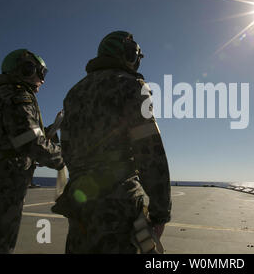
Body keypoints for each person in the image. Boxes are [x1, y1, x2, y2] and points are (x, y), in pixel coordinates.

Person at [53, 30, 171, 254]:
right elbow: (150, 154)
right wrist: (160, 213)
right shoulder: (132, 86)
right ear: (128, 55)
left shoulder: (74, 93)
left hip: (81, 201)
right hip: (119, 204)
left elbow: (66, 149)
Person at [0, 49, 66, 253]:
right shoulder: (18, 96)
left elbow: (19, 137)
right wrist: (63, 158)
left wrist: (51, 131)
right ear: (26, 70)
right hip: (4, 184)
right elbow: (31, 143)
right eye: (40, 73)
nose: (42, 80)